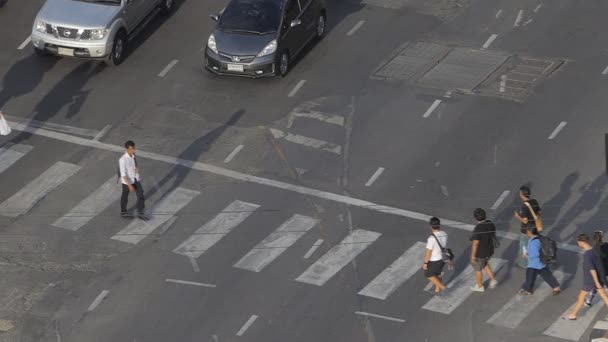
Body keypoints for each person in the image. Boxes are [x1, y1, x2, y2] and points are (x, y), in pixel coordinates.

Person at [567, 234, 608, 320]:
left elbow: (592, 269)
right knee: (604, 296)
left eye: (578, 242)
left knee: (581, 297)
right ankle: (573, 314)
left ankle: (573, 314)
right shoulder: (593, 250)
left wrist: (596, 282)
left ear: (581, 242)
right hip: (599, 277)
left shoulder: (587, 255)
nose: (578, 244)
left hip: (590, 280)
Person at [519, 227, 561, 295]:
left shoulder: (533, 242)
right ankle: (556, 288)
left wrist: (527, 256)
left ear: (530, 232)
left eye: (527, 231)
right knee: (547, 275)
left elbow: (535, 254)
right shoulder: (539, 238)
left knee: (530, 277)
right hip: (541, 261)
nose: (526, 232)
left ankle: (528, 290)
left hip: (534, 263)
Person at [470, 208, 499, 292]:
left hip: (480, 253)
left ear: (475, 218)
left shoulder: (478, 228)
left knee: (477, 269)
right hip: (489, 250)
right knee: (484, 264)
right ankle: (493, 279)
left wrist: (473, 256)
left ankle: (480, 286)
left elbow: (475, 243)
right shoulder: (490, 223)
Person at [423, 217, 453, 295]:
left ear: (431, 226)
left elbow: (428, 252)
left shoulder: (431, 238)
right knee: (438, 274)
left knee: (429, 274)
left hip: (434, 260)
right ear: (439, 225)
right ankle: (437, 290)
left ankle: (443, 288)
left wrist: (425, 263)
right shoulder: (444, 234)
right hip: (443, 258)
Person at [514, 186, 542, 268]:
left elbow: (525, 221)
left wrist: (517, 216)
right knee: (534, 245)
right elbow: (539, 213)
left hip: (526, 230)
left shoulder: (524, 206)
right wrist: (533, 218)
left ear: (522, 195)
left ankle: (523, 264)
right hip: (534, 228)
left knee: (524, 247)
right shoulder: (534, 201)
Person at [119, 140, 146, 219]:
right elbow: (123, 174)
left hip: (135, 178)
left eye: (134, 148)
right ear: (127, 149)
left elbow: (134, 162)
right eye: (131, 149)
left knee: (141, 194)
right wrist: (130, 185)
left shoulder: (133, 154)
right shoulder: (122, 160)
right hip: (127, 182)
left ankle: (140, 212)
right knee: (125, 196)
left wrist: (136, 167)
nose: (133, 150)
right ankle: (123, 212)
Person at [583, 231, 608, 307]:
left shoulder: (593, 250)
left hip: (599, 271)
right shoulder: (606, 245)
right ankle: (588, 301)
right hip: (606, 269)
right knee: (601, 286)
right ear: (602, 238)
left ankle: (588, 301)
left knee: (596, 285)